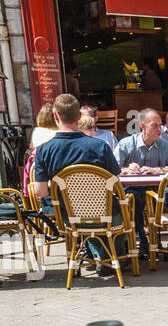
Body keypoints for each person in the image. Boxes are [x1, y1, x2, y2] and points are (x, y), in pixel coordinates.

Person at [32, 93, 123, 275]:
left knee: (82, 217)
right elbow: (117, 185)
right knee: (125, 205)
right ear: (80, 116)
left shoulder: (43, 150)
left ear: (55, 116)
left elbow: (40, 192)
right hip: (105, 214)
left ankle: (93, 255)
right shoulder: (100, 146)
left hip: (68, 217)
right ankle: (109, 257)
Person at [116, 109, 168, 257]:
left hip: (158, 190)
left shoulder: (165, 146)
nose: (159, 129)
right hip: (133, 190)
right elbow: (112, 169)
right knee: (134, 200)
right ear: (142, 126)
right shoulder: (126, 144)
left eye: (160, 125)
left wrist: (158, 170)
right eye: (154, 125)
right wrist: (126, 169)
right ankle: (144, 240)